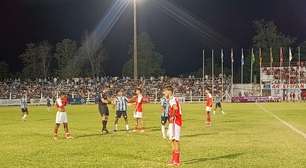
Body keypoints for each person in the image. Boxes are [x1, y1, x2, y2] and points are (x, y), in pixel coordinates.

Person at [164, 86, 182, 166]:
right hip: (173, 122)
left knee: (175, 141)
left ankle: (176, 161)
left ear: (169, 91)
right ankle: (173, 160)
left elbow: (175, 108)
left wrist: (172, 117)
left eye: (165, 91)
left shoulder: (172, 99)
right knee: (172, 140)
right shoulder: (172, 99)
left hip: (175, 122)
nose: (164, 93)